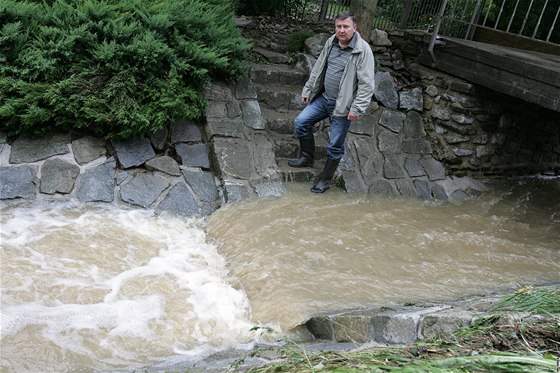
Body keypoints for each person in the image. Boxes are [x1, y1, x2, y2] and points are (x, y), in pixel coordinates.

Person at [288, 12, 375, 193]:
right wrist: (308, 90)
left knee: (335, 145)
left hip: (343, 106)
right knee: (301, 122)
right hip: (323, 98)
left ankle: (324, 181)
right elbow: (318, 68)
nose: (341, 30)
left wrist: (357, 108)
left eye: (345, 27)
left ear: (354, 28)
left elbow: (367, 85)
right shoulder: (331, 42)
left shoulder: (363, 50)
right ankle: (306, 157)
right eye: (338, 26)